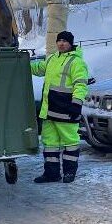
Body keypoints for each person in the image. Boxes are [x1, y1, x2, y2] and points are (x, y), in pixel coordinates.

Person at [30, 31, 89, 183]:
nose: (61, 43)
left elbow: (81, 84)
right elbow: (39, 68)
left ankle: (69, 173)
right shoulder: (52, 58)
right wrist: (21, 63)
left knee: (70, 143)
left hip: (66, 110)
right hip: (49, 111)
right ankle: (51, 174)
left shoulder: (76, 62)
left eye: (65, 41)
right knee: (50, 144)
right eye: (59, 40)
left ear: (71, 43)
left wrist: (77, 103)